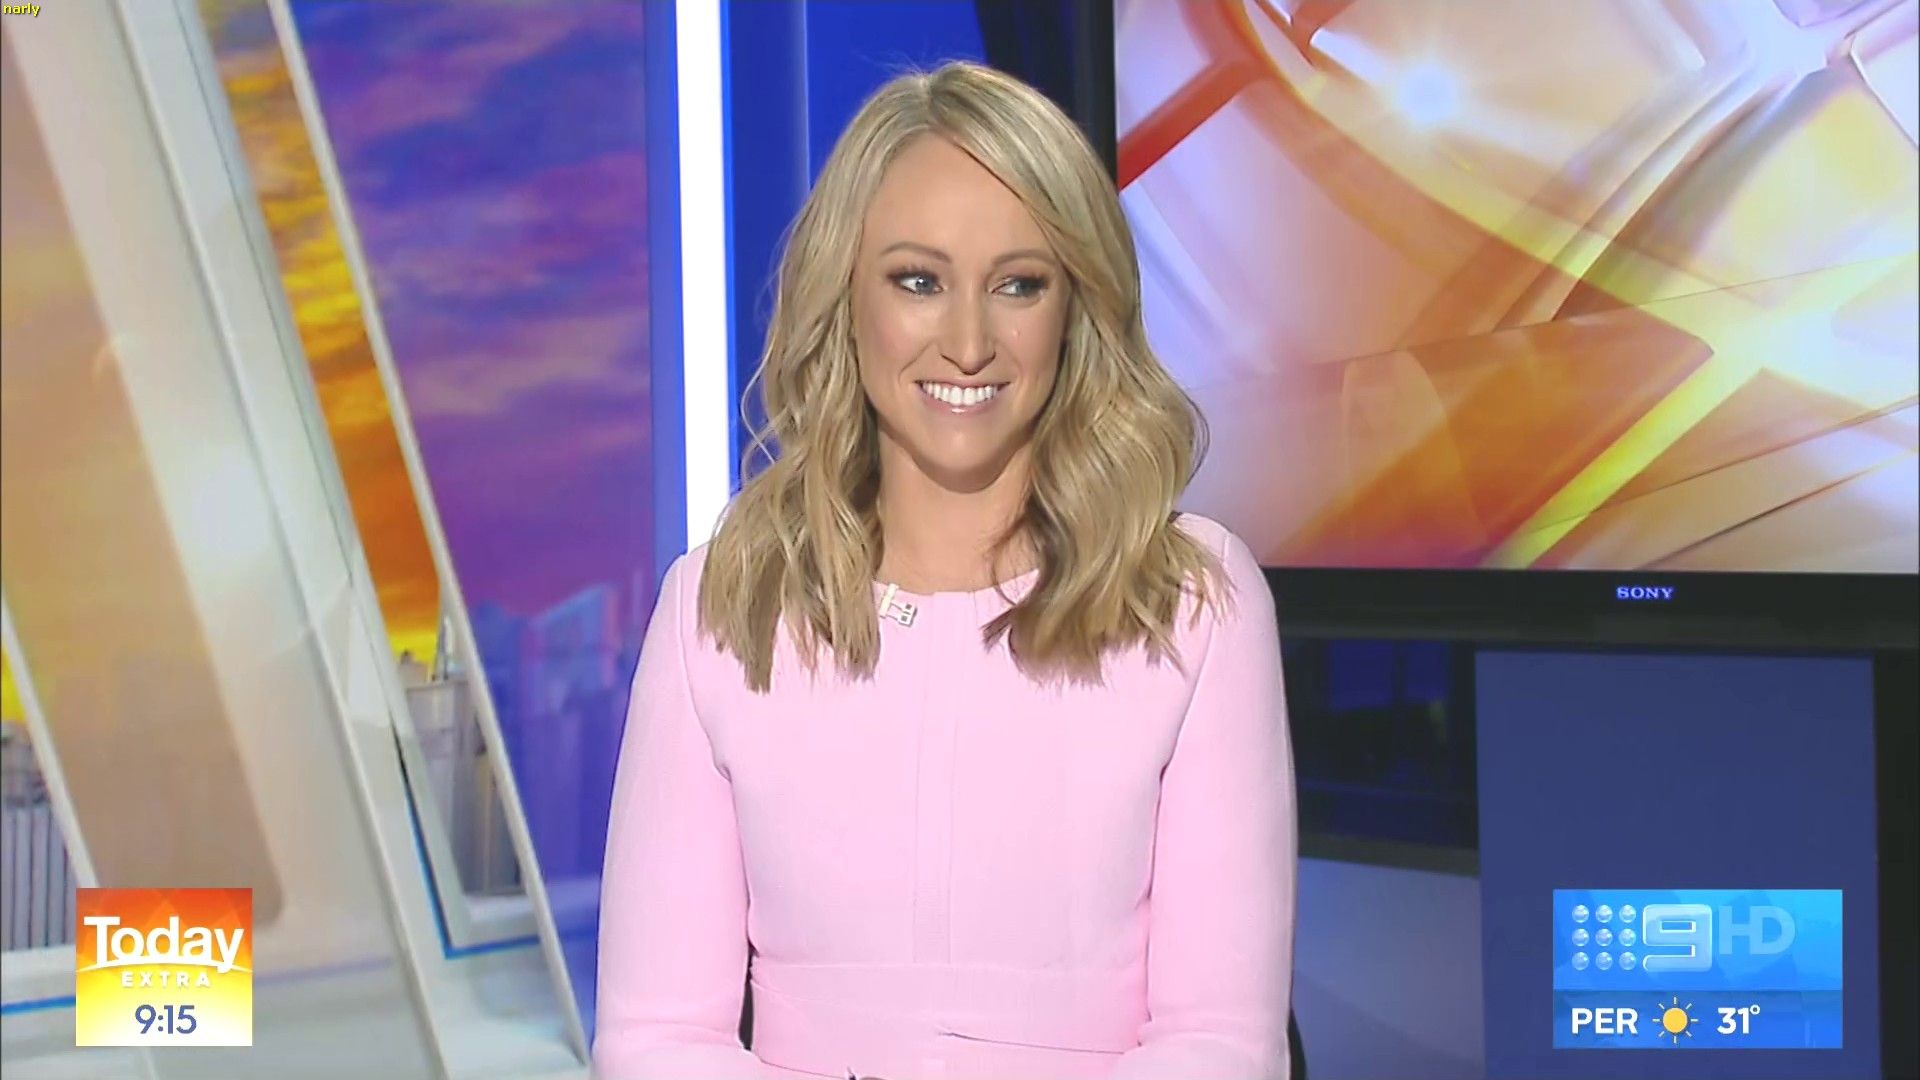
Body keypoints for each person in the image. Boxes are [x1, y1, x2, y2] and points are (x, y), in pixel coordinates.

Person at [592, 60, 1296, 1080]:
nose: (969, 343)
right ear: (846, 295)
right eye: (918, 281)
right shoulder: (720, 607)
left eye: (1019, 285)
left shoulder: (1194, 603)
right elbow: (655, 1042)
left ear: (1075, 306)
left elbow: (1223, 1046)